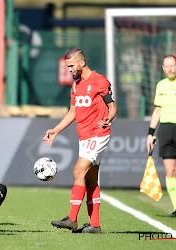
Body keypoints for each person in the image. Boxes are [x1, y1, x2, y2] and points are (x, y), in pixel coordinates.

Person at [43, 48, 117, 233]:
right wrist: (56, 130)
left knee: (78, 171)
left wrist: (110, 117)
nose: (69, 69)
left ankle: (72, 218)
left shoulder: (100, 80)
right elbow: (73, 112)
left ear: (82, 63)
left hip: (98, 134)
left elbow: (112, 106)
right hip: (84, 136)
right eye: (67, 66)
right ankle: (95, 225)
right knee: (91, 180)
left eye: (71, 66)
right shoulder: (76, 85)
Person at [147, 55, 176, 218]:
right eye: (167, 66)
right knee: (170, 171)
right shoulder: (161, 85)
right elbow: (157, 111)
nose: (170, 69)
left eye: (173, 65)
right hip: (165, 129)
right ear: (163, 68)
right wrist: (150, 134)